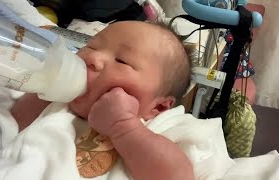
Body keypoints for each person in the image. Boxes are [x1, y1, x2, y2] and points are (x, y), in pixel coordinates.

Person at [11, 21, 195, 180]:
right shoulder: (57, 102)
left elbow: (177, 176)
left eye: (122, 61)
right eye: (91, 47)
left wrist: (123, 127)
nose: (92, 57)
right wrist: (45, 87)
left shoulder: (154, 130)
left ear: (159, 107)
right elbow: (13, 126)